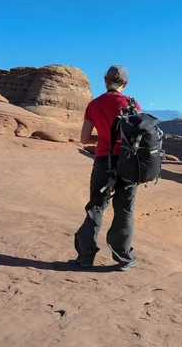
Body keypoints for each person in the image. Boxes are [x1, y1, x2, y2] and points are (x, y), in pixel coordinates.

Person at [74, 65, 141, 271]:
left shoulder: (94, 105)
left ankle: (85, 256)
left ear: (105, 80)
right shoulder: (132, 104)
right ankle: (123, 258)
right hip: (128, 164)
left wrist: (104, 137)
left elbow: (84, 139)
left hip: (104, 161)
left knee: (96, 207)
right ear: (125, 84)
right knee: (124, 210)